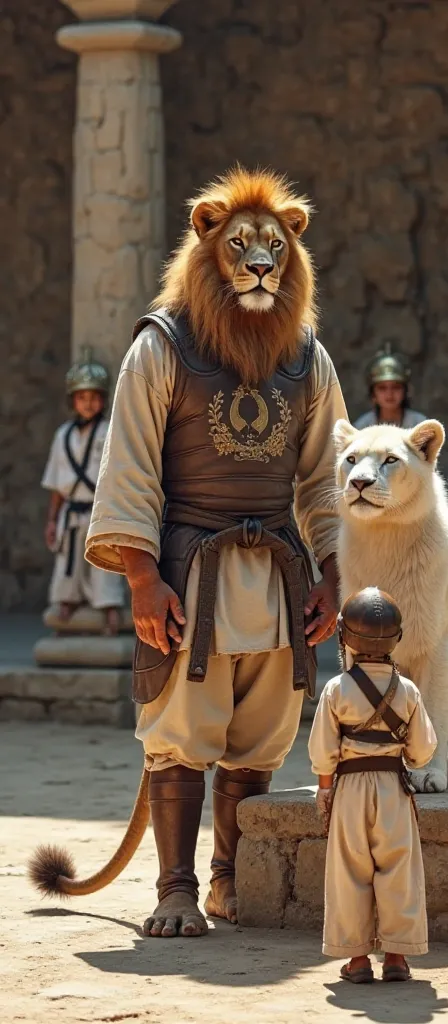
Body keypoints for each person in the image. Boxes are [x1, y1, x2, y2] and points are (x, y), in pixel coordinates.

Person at [80, 168, 346, 937]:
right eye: (239, 246)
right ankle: (173, 889)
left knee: (259, 735)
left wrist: (334, 571)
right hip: (188, 573)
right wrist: (139, 576)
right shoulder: (162, 345)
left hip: (276, 578)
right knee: (180, 733)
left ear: (293, 249)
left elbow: (325, 476)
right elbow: (128, 463)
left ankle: (228, 882)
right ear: (206, 242)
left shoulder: (308, 358)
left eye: (272, 245)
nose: (259, 260)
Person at [309, 587, 437, 984]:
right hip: (393, 790)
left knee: (349, 871)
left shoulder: (336, 689)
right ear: (396, 640)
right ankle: (397, 957)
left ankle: (358, 960)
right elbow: (422, 753)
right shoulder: (409, 690)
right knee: (399, 869)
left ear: (345, 637)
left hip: (348, 790)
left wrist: (325, 791)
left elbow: (323, 752)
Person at [41, 349, 124, 635]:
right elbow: (56, 483)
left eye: (93, 397)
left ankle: (110, 608)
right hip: (71, 511)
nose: (88, 404)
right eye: (81, 398)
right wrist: (52, 519)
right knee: (69, 561)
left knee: (104, 564)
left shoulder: (110, 430)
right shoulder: (63, 435)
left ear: (102, 400)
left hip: (100, 509)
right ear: (73, 401)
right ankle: (67, 601)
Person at [354, 344, 426, 429]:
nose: (389, 394)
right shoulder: (362, 426)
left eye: (396, 387)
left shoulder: (419, 424)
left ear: (405, 390)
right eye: (382, 388)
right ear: (373, 393)